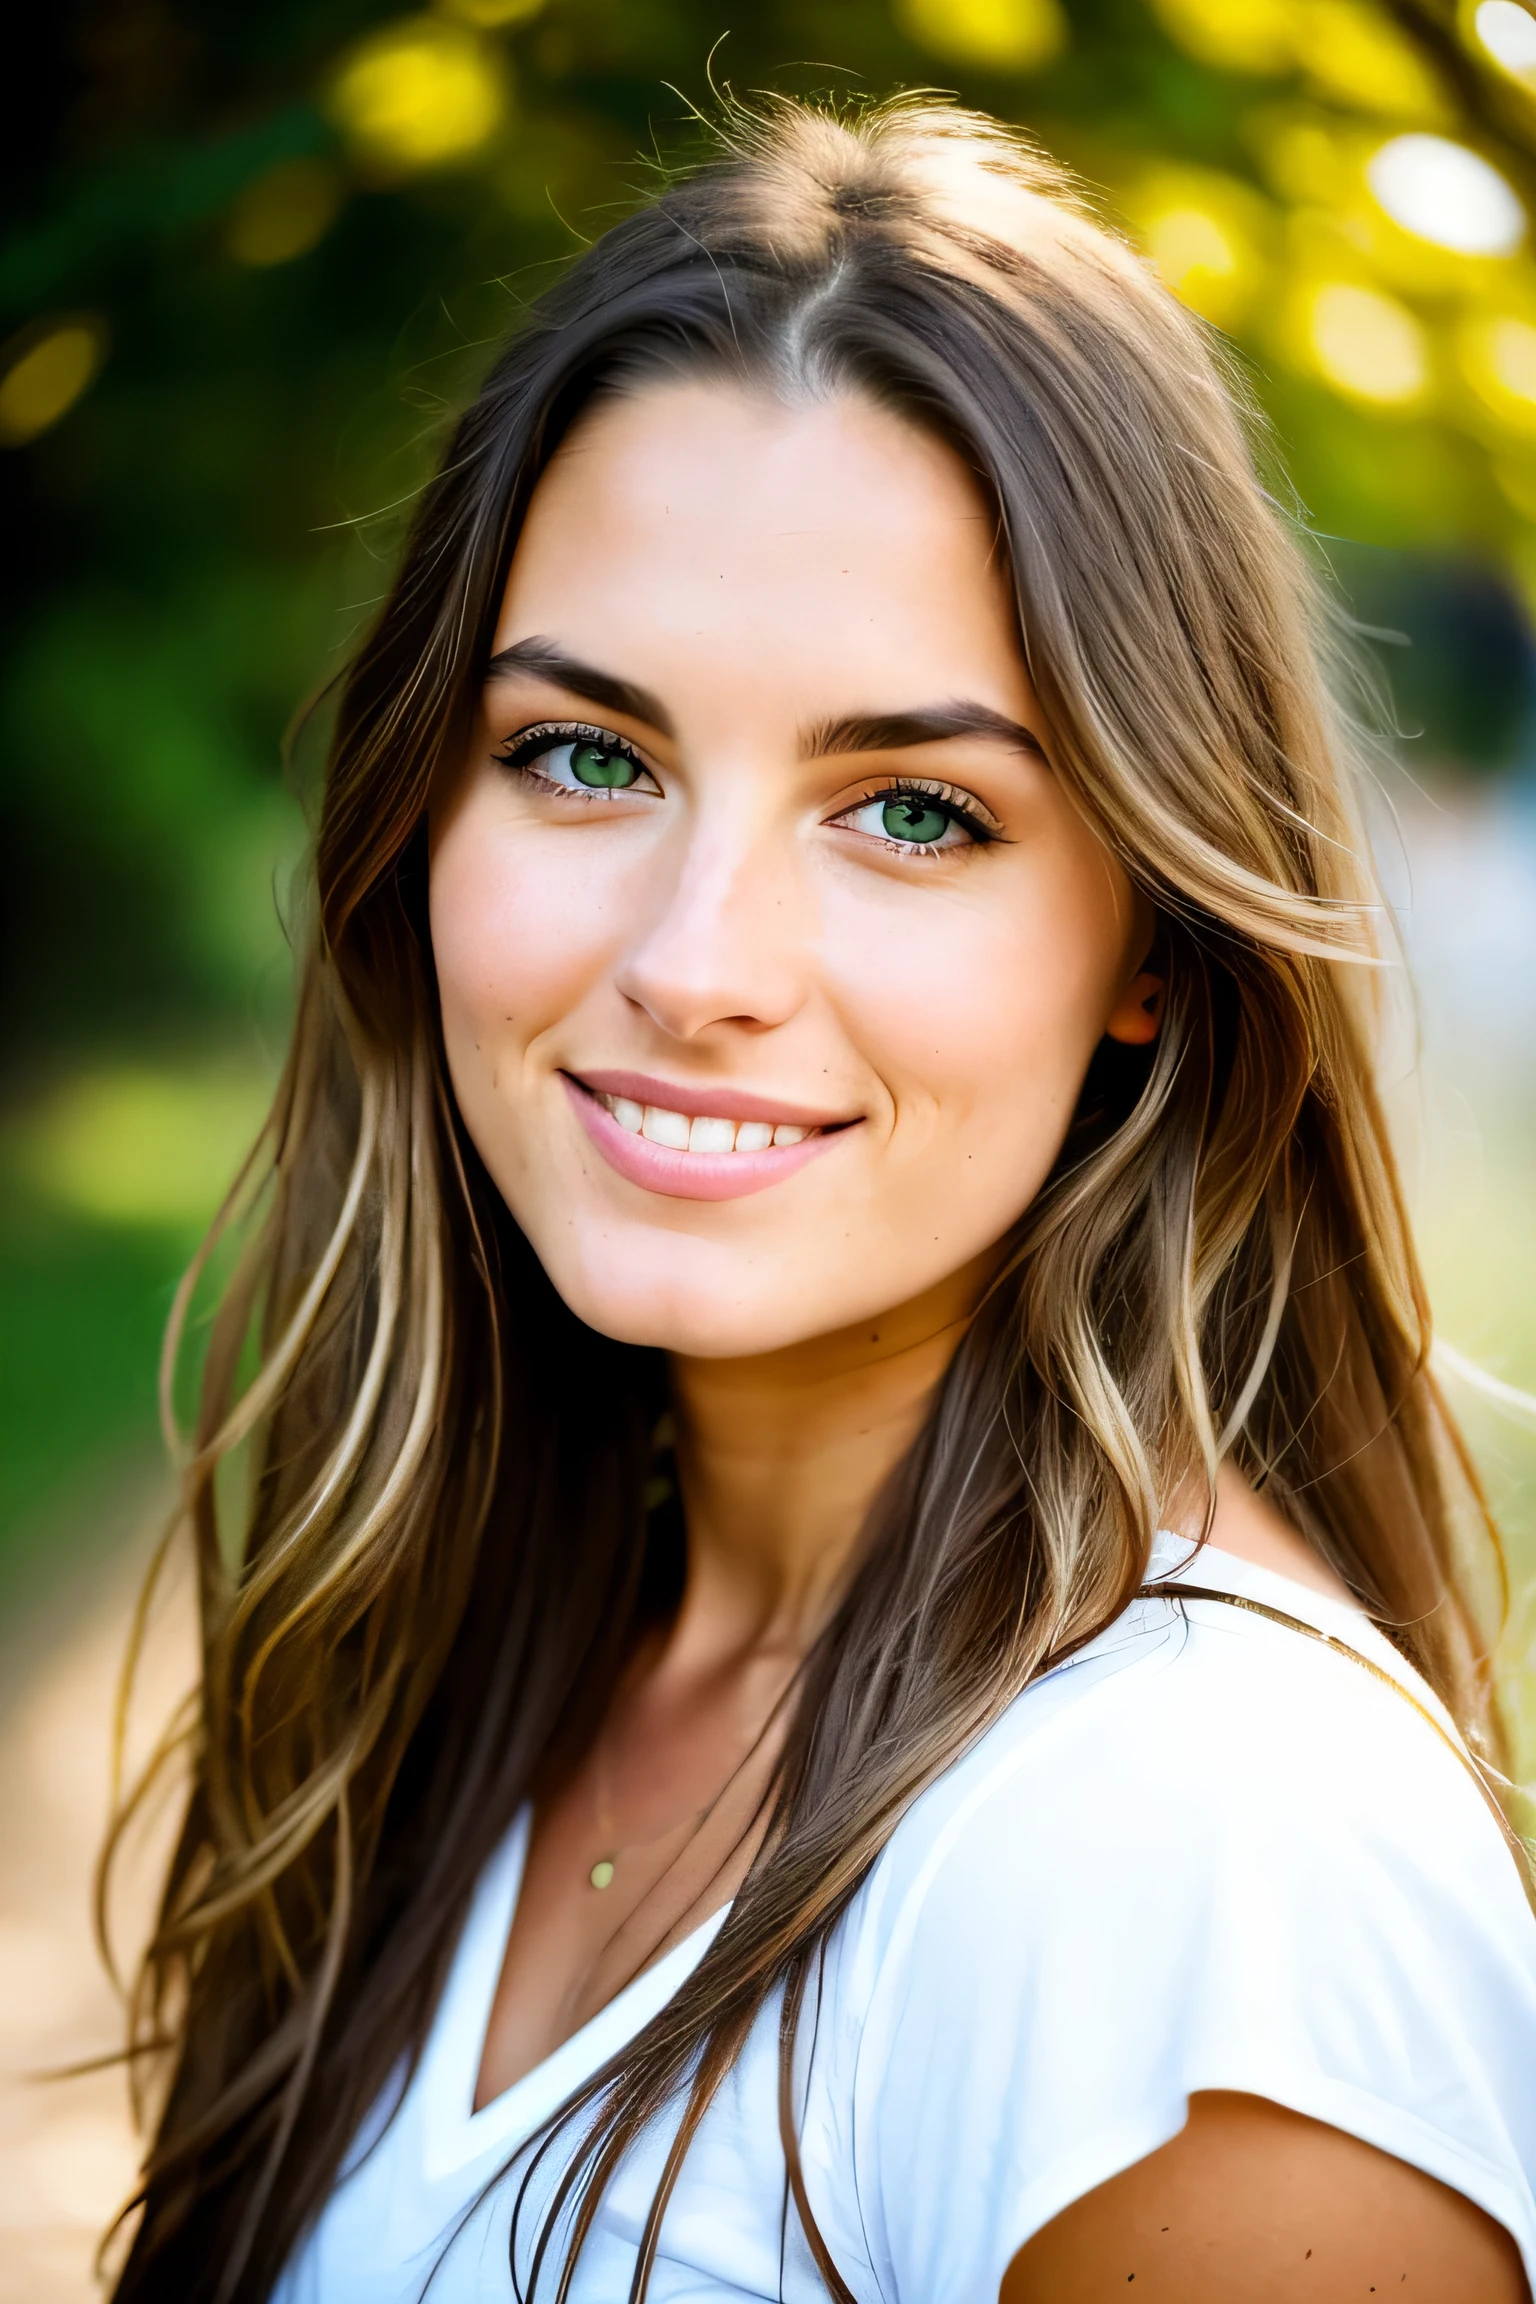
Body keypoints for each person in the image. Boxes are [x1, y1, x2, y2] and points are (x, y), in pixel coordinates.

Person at [107, 97, 1536, 2304]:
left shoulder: (1208, 1863)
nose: (691, 962)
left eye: (914, 814)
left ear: (1155, 936)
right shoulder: (518, 1649)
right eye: (588, 755)